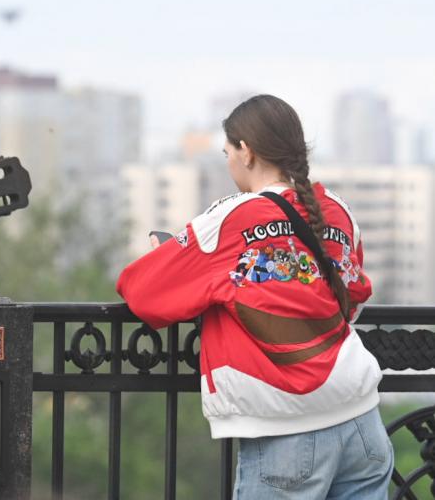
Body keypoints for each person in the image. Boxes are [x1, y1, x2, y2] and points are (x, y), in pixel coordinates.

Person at [117, 95, 392, 499]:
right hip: (363, 423)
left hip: (287, 432)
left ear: (246, 152)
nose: (228, 163)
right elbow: (351, 297)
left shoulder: (233, 216)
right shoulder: (339, 211)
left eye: (227, 152)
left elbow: (142, 292)